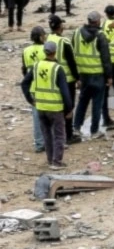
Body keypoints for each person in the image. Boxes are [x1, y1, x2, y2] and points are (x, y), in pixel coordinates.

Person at [21, 38, 73, 169]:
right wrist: (69, 109)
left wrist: (30, 100)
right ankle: (57, 162)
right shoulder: (57, 69)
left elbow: (24, 83)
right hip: (55, 108)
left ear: (45, 52)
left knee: (47, 135)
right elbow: (65, 92)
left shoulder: (36, 66)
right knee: (59, 135)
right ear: (55, 52)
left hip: (41, 107)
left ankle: (50, 160)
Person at [71, 11, 111, 138]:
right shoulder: (100, 36)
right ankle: (94, 131)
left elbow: (73, 53)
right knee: (97, 104)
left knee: (82, 102)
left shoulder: (77, 33)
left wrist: (77, 75)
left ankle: (76, 127)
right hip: (97, 75)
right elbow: (106, 58)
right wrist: (109, 76)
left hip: (83, 75)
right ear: (98, 21)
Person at [46, 13, 78, 141]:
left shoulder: (47, 39)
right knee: (69, 106)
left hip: (53, 78)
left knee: (57, 106)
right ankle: (68, 135)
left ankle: (58, 133)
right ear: (60, 26)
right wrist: (78, 78)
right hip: (67, 79)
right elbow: (72, 62)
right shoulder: (64, 41)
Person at [22, 25, 45, 152]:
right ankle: (49, 141)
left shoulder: (26, 51)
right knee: (51, 116)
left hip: (32, 87)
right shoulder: (46, 49)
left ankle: (39, 143)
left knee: (36, 117)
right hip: (45, 86)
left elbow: (24, 70)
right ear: (41, 37)